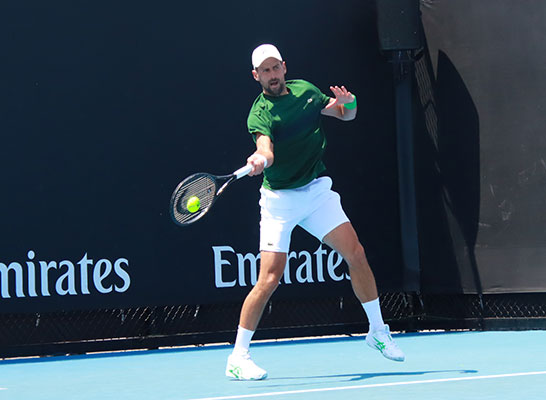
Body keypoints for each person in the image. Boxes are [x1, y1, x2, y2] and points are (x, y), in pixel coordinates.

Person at [225, 44, 405, 381]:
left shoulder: (306, 91)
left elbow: (344, 114)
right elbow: (266, 149)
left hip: (315, 192)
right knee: (269, 279)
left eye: (275, 67)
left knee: (356, 254)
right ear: (256, 76)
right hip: (280, 200)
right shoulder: (259, 113)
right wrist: (259, 159)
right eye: (265, 71)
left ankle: (378, 332)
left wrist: (349, 103)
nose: (272, 75)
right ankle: (238, 356)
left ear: (284, 67)